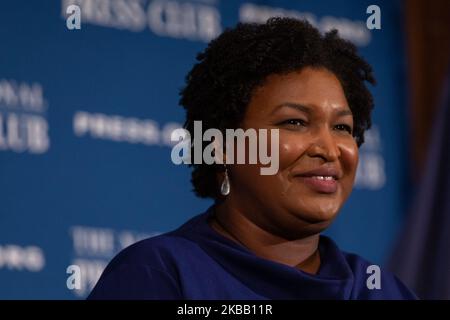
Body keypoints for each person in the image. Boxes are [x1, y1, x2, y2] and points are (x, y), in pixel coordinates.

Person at [88, 17, 416, 299]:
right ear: (222, 145)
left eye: (342, 127)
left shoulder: (379, 290)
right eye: (295, 122)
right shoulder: (159, 275)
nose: (329, 150)